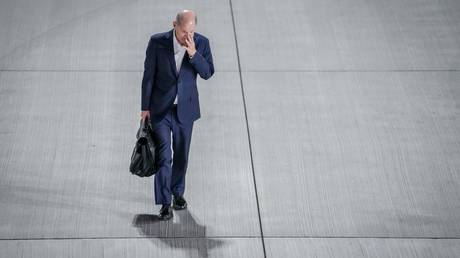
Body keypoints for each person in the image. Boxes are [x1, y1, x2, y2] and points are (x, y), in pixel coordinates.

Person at [140, 10, 214, 220]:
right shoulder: (157, 42)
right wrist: (145, 107)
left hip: (185, 110)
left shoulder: (201, 43)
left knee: (181, 155)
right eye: (183, 32)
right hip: (161, 109)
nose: (187, 37)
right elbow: (148, 77)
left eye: (191, 32)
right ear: (174, 25)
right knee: (164, 157)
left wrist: (193, 53)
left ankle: (177, 193)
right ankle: (164, 203)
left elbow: (208, 72)